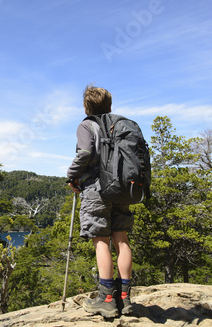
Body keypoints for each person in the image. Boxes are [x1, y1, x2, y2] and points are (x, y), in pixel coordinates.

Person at [67, 85, 134, 318]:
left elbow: (85, 154)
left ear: (87, 106)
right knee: (121, 238)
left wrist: (70, 175)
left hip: (97, 189)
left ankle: (106, 298)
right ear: (110, 104)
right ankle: (124, 297)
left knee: (101, 240)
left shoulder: (87, 125)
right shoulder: (121, 124)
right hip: (122, 188)